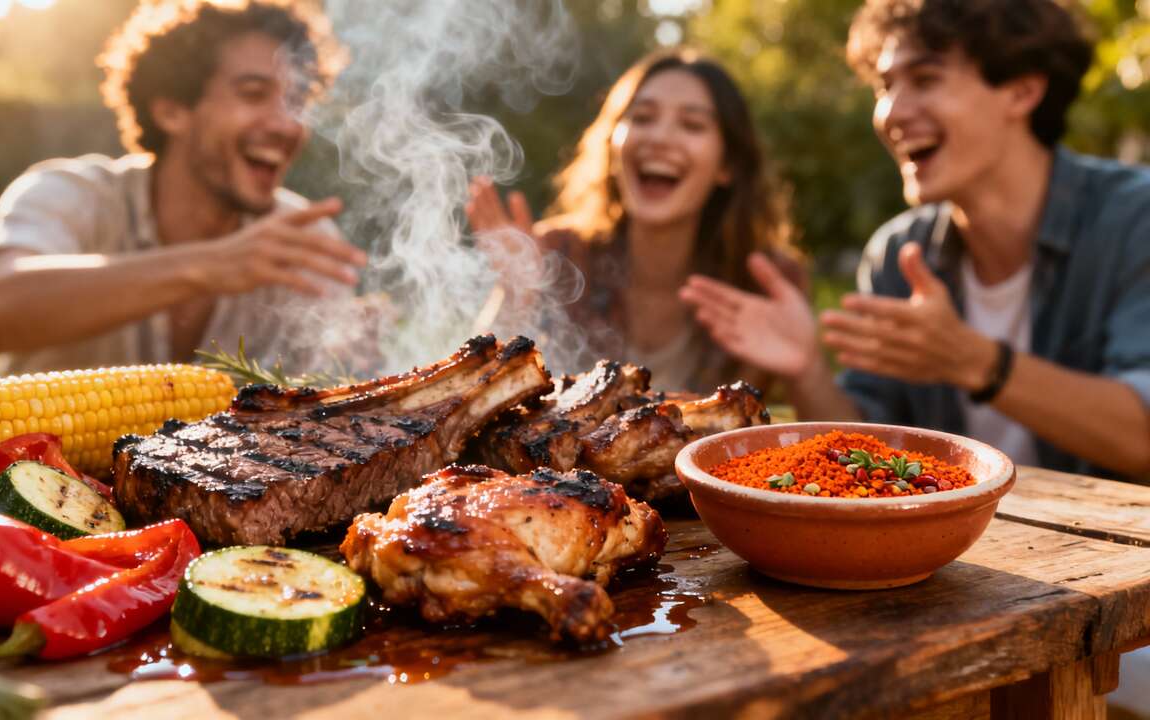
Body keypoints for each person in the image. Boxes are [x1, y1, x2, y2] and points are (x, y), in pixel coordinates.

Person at [679, 0, 1150, 479]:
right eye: (885, 86)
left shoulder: (1136, 218)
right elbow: (868, 444)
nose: (890, 113)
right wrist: (806, 369)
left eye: (925, 79)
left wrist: (978, 363)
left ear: (1022, 91)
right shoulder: (901, 251)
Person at [0, 0, 367, 375]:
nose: (287, 124)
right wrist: (210, 266)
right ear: (171, 111)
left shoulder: (303, 243)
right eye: (253, 93)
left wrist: (358, 372)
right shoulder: (74, 194)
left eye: (298, 100)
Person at [466, 48, 804, 395]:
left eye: (692, 124)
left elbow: (839, 436)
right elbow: (471, 396)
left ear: (727, 164)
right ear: (611, 145)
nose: (659, 138)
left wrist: (807, 366)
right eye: (642, 118)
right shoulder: (556, 254)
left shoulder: (766, 284)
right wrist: (513, 297)